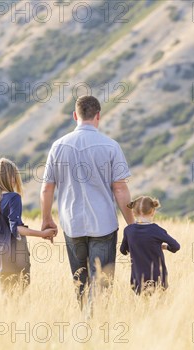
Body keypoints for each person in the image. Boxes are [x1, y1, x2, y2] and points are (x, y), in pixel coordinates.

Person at [40, 95, 135, 309]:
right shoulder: (111, 146)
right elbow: (120, 188)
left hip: (72, 225)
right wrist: (133, 225)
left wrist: (47, 219)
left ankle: (84, 329)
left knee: (80, 283)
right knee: (101, 284)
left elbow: (46, 188)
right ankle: (95, 325)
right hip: (103, 226)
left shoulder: (58, 146)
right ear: (98, 116)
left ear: (75, 116)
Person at [0, 158, 56, 293]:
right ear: (7, 178)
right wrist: (42, 234)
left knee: (7, 296)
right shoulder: (13, 198)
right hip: (16, 255)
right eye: (13, 175)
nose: (15, 178)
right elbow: (16, 228)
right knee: (19, 297)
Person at [120, 196, 180, 295]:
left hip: (138, 278)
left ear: (133, 213)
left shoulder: (128, 230)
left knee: (142, 306)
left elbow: (123, 251)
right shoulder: (157, 230)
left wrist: (135, 247)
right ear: (153, 211)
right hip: (158, 277)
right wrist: (165, 247)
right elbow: (176, 246)